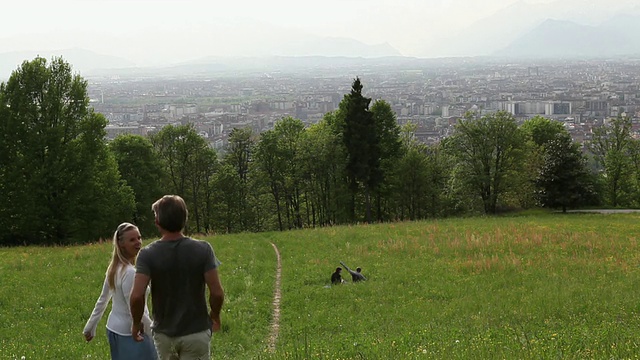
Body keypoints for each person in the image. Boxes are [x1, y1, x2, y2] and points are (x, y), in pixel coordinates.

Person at [130, 195, 224, 360]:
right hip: (196, 332)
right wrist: (215, 314)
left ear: (157, 223)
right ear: (185, 219)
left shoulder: (147, 254)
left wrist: (137, 323)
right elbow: (216, 293)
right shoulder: (203, 249)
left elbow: (137, 296)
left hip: (164, 335)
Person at [83, 222, 157, 360]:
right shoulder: (129, 273)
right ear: (121, 243)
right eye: (132, 240)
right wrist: (155, 334)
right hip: (132, 335)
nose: (138, 242)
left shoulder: (114, 268)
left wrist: (90, 327)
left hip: (114, 330)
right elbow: (134, 309)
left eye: (139, 238)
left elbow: (102, 300)